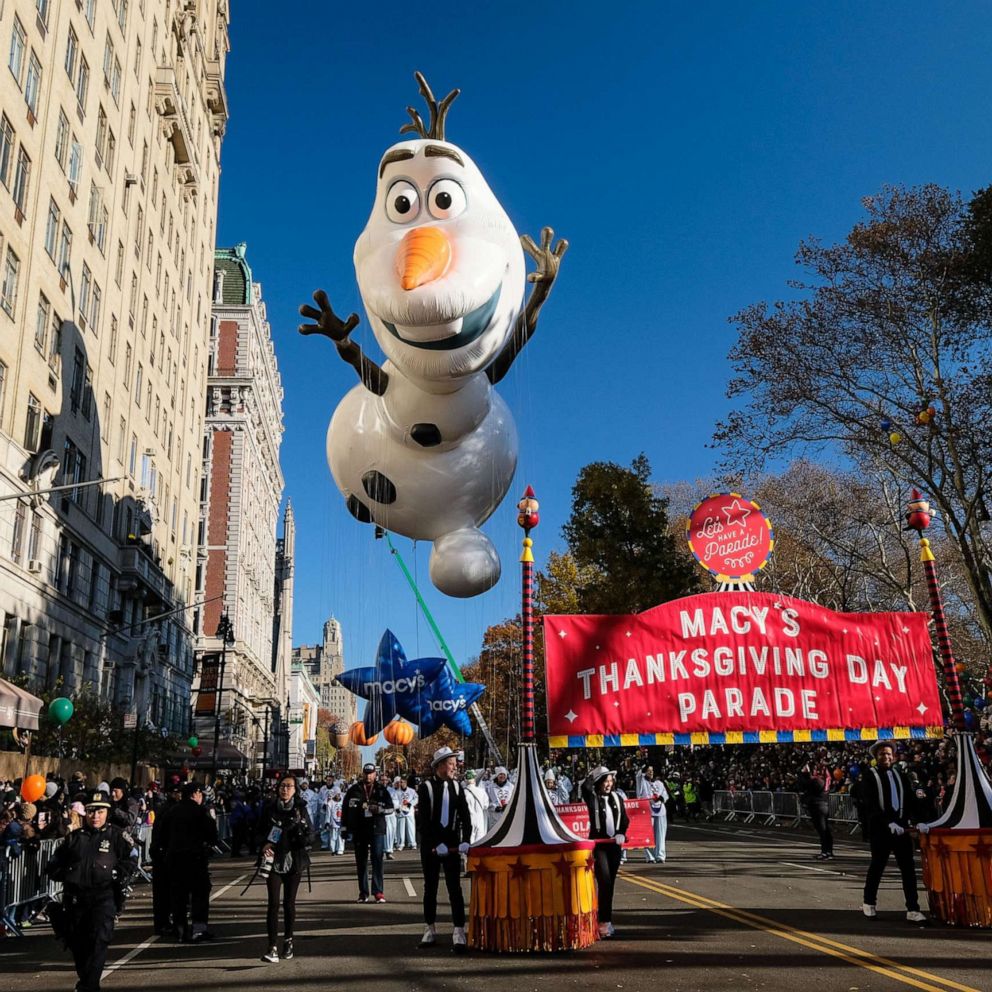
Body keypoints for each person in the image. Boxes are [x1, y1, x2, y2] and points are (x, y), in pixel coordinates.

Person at [46, 789, 136, 992]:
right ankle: (87, 980)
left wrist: (120, 873)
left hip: (103, 897)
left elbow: (131, 858)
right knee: (78, 944)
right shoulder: (75, 838)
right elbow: (54, 864)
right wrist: (63, 873)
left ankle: (89, 986)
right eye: (91, 811)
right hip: (76, 899)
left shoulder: (116, 835)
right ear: (85, 812)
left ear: (107, 813)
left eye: (100, 812)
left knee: (98, 941)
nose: (95, 816)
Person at [859, 741, 928, 923]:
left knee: (908, 869)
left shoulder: (900, 775)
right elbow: (871, 804)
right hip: (881, 829)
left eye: (889, 754)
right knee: (877, 866)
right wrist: (887, 822)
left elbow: (910, 800)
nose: (886, 757)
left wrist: (918, 821)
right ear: (876, 757)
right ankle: (869, 902)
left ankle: (913, 909)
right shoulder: (869, 776)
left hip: (901, 828)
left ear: (894, 756)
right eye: (882, 754)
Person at [416, 747, 471, 951]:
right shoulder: (426, 788)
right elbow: (422, 821)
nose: (454, 766)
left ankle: (458, 930)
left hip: (452, 843)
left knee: (454, 888)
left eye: (454, 763)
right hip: (431, 846)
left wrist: (466, 839)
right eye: (450, 763)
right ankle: (429, 928)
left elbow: (465, 815)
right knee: (430, 888)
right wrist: (433, 843)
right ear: (439, 765)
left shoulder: (458, 787)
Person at [256, 775, 314, 963]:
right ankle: (271, 946)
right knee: (273, 904)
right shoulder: (269, 809)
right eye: (282, 786)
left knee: (289, 903)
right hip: (273, 861)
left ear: (295, 790)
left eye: (289, 786)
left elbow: (309, 836)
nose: (285, 789)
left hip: (294, 861)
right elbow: (257, 832)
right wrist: (263, 845)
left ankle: (288, 940)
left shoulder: (301, 810)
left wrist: (299, 829)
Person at [159, 781, 218, 941]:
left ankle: (180, 930)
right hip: (195, 858)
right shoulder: (200, 812)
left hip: (174, 859)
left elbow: (161, 835)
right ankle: (198, 929)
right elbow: (212, 835)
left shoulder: (171, 812)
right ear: (196, 794)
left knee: (179, 896)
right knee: (199, 895)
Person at [582, 765, 629, 939]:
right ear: (598, 782)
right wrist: (591, 774)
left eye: (610, 781)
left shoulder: (618, 798)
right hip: (600, 845)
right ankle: (600, 921)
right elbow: (585, 788)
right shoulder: (593, 798)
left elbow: (624, 819)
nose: (608, 784)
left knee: (610, 885)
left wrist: (621, 833)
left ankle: (606, 921)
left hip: (614, 845)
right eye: (605, 781)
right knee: (604, 881)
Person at [342, 763, 394, 903]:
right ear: (362, 774)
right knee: (361, 861)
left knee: (377, 859)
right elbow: (345, 809)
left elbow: (391, 808)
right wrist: (344, 828)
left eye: (371, 773)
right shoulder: (354, 790)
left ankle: (378, 892)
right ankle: (363, 893)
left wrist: (379, 810)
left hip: (377, 829)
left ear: (375, 775)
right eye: (366, 773)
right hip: (360, 829)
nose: (368, 775)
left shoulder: (381, 790)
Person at [798, 763, 834, 860]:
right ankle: (828, 851)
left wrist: (803, 773)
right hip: (821, 806)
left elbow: (804, 783)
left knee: (823, 830)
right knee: (824, 830)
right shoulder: (822, 782)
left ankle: (825, 852)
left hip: (818, 807)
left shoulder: (818, 781)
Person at [636, 766, 669, 863]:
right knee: (648, 835)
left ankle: (660, 856)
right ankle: (650, 857)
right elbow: (638, 776)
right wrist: (641, 767)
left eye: (652, 770)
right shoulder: (642, 782)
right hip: (647, 812)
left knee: (660, 835)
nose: (651, 772)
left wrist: (661, 798)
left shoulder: (659, 783)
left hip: (660, 812)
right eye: (648, 771)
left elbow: (665, 795)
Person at [462, 770, 490, 844]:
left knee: (468, 843)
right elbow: (486, 806)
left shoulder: (462, 793)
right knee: (479, 843)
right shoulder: (482, 792)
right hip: (479, 820)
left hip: (468, 820)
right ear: (474, 779)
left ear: (465, 780)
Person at [393, 776, 418, 851]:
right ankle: (401, 844)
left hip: (409, 812)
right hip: (401, 812)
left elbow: (416, 798)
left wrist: (411, 803)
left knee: (411, 828)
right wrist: (397, 808)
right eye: (400, 782)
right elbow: (395, 800)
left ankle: (412, 843)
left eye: (402, 782)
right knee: (400, 829)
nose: (400, 784)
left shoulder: (412, 791)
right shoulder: (397, 792)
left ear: (406, 783)